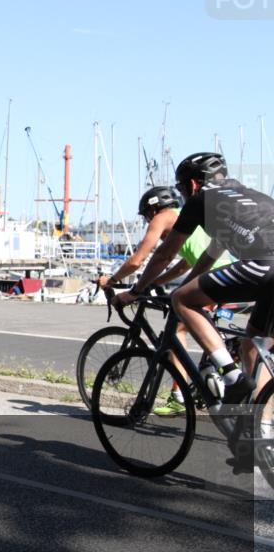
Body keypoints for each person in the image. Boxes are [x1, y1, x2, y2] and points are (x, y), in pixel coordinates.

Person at [113, 152, 274, 406]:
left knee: (182, 300)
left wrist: (135, 290)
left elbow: (164, 255)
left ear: (192, 184)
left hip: (264, 264)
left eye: (180, 187)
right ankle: (262, 434)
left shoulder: (201, 200)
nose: (182, 194)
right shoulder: (247, 198)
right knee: (252, 347)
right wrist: (190, 283)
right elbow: (210, 255)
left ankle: (231, 376)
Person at [98, 186, 233, 415]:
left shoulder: (162, 218)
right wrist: (155, 282)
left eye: (146, 217)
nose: (148, 223)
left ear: (152, 210)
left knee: (178, 329)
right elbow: (186, 263)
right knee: (185, 321)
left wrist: (111, 280)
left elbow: (138, 260)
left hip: (212, 278)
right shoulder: (185, 216)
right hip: (225, 274)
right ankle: (213, 371)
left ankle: (180, 396)